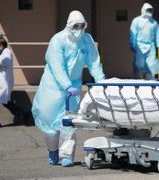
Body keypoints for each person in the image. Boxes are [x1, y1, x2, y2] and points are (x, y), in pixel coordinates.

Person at [31, 10, 105, 167]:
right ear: (69, 25)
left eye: (82, 26)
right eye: (75, 26)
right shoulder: (58, 40)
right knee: (49, 123)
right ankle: (52, 150)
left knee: (69, 122)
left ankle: (66, 155)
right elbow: (57, 66)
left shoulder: (87, 40)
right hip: (52, 87)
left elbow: (94, 62)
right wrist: (66, 85)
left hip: (74, 86)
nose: (79, 29)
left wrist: (101, 82)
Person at [0, 36, 26, 129]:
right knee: (5, 102)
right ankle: (23, 114)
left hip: (2, 84)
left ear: (1, 45)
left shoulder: (6, 52)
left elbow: (5, 61)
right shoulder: (0, 53)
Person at [129, 3, 159, 80]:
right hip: (139, 46)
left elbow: (158, 36)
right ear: (143, 10)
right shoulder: (136, 21)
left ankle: (150, 81)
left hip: (150, 46)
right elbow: (133, 34)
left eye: (150, 10)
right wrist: (133, 45)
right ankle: (138, 80)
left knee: (152, 64)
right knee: (139, 64)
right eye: (148, 10)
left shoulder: (154, 23)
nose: (149, 12)